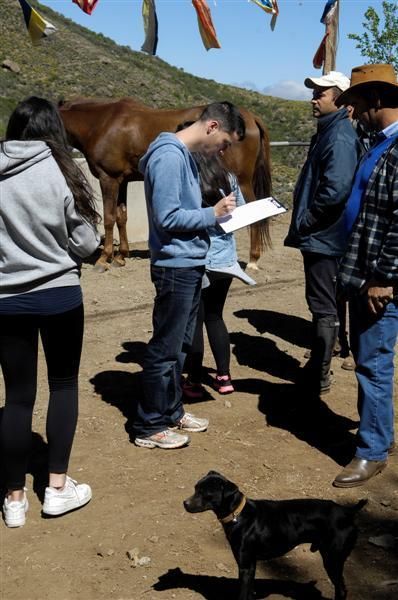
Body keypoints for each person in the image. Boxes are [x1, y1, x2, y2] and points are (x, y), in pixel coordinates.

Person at [0, 97, 101, 527]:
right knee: (63, 386)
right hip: (59, 296)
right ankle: (57, 490)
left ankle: (14, 500)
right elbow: (86, 243)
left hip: (5, 301)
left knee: (17, 397)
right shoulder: (62, 169)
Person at [133, 101, 245, 449]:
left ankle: (170, 411)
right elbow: (168, 218)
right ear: (212, 127)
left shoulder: (180, 156)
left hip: (188, 262)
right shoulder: (168, 157)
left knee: (179, 347)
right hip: (174, 266)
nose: (223, 150)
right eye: (225, 141)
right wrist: (211, 214)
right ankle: (149, 426)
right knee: (165, 348)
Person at [331, 63, 398, 487]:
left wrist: (382, 277)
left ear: (375, 100)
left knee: (373, 362)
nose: (351, 110)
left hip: (379, 278)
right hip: (364, 272)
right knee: (367, 358)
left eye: (354, 101)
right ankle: (378, 435)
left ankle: (372, 450)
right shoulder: (380, 143)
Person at [284, 71, 362, 395]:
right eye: (314, 92)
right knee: (323, 302)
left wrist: (306, 220)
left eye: (321, 93)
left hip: (325, 237)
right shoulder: (330, 132)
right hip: (323, 235)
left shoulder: (339, 137)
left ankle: (319, 374)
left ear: (341, 100)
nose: (314, 99)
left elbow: (336, 190)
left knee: (323, 305)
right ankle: (320, 367)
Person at [181, 150, 256, 399]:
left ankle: (192, 381)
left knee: (195, 320)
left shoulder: (189, 179)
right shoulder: (228, 177)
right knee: (215, 317)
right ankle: (224, 377)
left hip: (200, 259)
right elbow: (242, 214)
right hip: (225, 261)